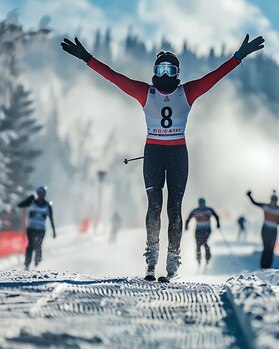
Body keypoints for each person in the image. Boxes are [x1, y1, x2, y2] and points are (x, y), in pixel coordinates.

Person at [61, 34, 265, 282]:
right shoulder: (145, 92)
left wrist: (239, 56)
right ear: (155, 71)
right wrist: (87, 58)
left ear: (177, 72)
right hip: (154, 153)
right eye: (161, 69)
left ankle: (172, 259)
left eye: (170, 70)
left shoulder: (186, 92)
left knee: (174, 208)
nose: (166, 75)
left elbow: (215, 76)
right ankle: (151, 258)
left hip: (177, 154)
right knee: (154, 206)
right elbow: (114, 77)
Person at [246, 190, 279, 269]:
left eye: (275, 200)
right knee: (266, 248)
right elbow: (254, 203)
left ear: (276, 200)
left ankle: (268, 266)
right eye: (272, 200)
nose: (273, 201)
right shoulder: (266, 206)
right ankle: (263, 266)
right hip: (265, 229)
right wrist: (250, 196)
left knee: (271, 249)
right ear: (271, 200)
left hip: (273, 230)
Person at [17, 186, 56, 270]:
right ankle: (27, 264)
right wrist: (29, 198)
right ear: (38, 194)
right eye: (40, 194)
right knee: (31, 245)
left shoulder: (47, 205)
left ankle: (37, 262)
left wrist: (53, 230)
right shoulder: (32, 202)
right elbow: (21, 205)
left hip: (41, 229)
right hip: (31, 228)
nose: (41, 196)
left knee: (38, 245)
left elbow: (51, 218)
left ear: (45, 195)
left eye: (43, 194)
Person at [185, 198, 220, 269]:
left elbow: (216, 216)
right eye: (200, 204)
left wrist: (218, 224)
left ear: (204, 203)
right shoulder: (195, 210)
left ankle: (207, 258)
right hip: (198, 230)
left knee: (204, 242)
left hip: (207, 230)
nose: (201, 205)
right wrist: (186, 226)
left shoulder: (209, 209)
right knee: (198, 245)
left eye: (202, 204)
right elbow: (188, 219)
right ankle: (199, 261)